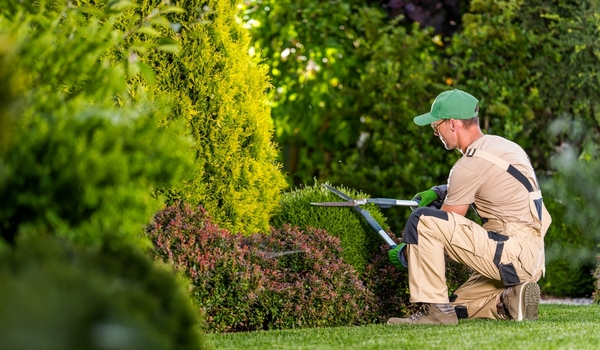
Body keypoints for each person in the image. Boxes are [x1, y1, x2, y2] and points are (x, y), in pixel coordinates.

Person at [387, 89, 552, 325]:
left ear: (453, 124)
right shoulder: (502, 147)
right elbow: (492, 184)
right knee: (454, 304)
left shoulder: (468, 165)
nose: (436, 132)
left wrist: (406, 252)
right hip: (531, 256)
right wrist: (441, 191)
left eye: (436, 125)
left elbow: (443, 227)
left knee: (422, 220)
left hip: (511, 253)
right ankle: (507, 300)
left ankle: (436, 316)